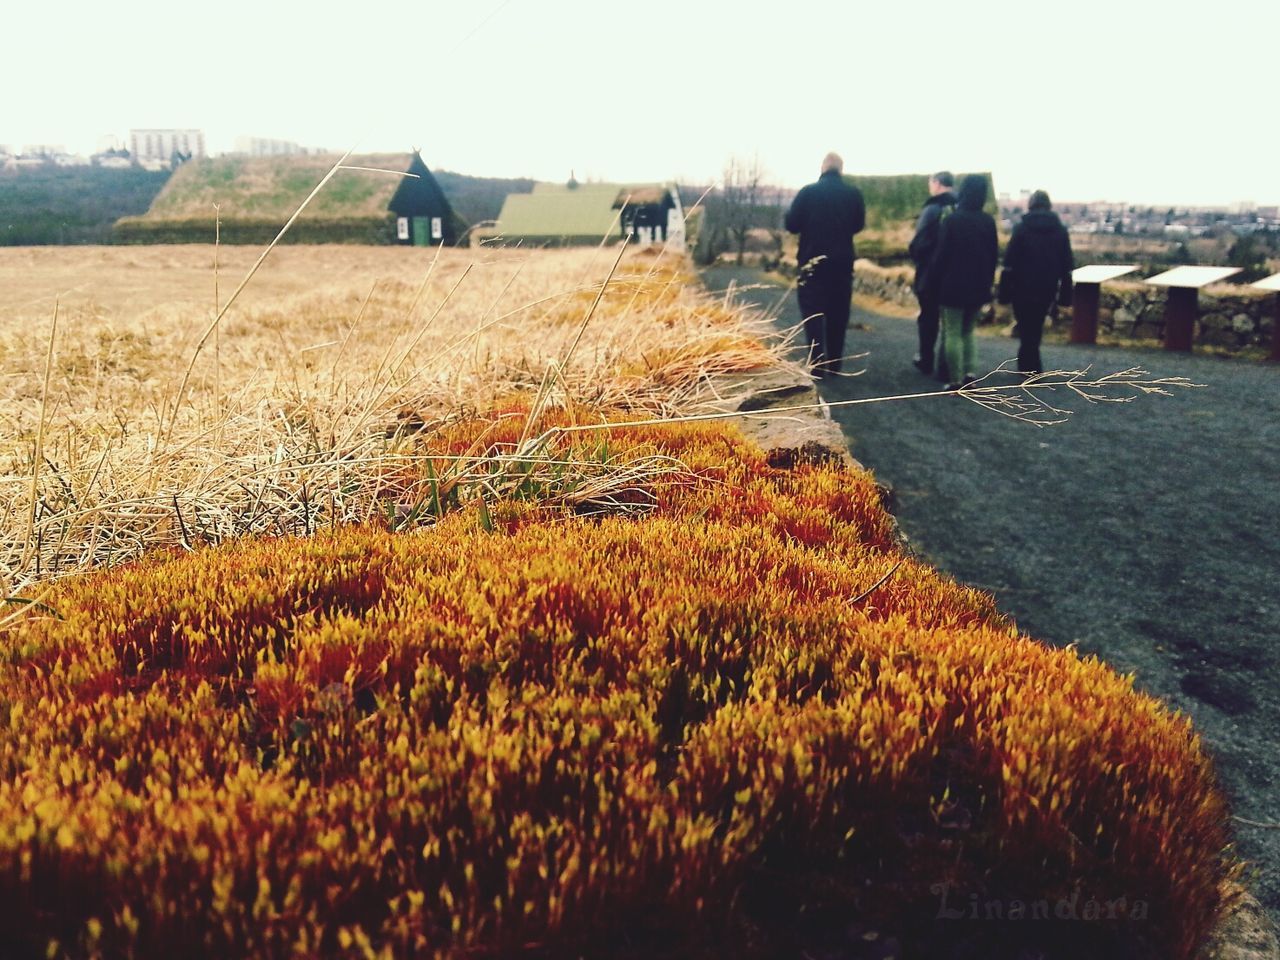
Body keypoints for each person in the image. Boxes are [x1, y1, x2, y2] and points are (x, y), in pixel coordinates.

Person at [785, 152, 866, 377]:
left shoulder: (808, 192)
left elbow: (792, 224)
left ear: (822, 168)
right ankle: (836, 362)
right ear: (841, 169)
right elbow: (858, 225)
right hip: (842, 262)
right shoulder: (853, 194)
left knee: (812, 311)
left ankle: (817, 362)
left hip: (812, 261)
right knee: (839, 312)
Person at [927, 174, 997, 390]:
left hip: (952, 285)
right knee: (969, 331)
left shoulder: (952, 221)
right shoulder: (988, 222)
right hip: (978, 284)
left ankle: (955, 379)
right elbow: (993, 256)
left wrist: (932, 282)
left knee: (953, 332)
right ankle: (970, 373)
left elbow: (941, 256)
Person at [998, 190, 1074, 373]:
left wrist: (1004, 291)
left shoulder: (1021, 228)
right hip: (1047, 285)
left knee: (1025, 325)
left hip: (1021, 285)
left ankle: (1028, 365)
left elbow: (1010, 260)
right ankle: (1032, 365)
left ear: (1030, 205)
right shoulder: (1060, 231)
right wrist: (1065, 293)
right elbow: (1067, 264)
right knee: (1036, 325)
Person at [907, 171, 957, 379]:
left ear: (937, 184)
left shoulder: (932, 209)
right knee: (950, 321)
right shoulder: (959, 207)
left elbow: (919, 241)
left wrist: (917, 255)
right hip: (953, 272)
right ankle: (946, 365)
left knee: (928, 316)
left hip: (929, 271)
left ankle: (926, 358)